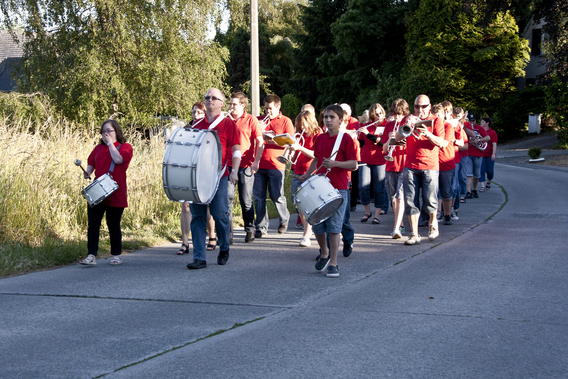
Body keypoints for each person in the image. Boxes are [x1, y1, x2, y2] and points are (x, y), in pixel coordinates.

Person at [186, 88, 241, 269]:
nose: (210, 100)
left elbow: (236, 150)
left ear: (221, 103)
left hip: (220, 176)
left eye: (214, 98)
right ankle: (199, 257)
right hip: (198, 178)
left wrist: (234, 170)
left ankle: (224, 247)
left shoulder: (228, 124)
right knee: (197, 216)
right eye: (207, 97)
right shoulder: (196, 125)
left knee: (219, 214)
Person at [301, 104, 357, 278]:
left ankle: (333, 262)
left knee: (334, 227)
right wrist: (307, 175)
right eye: (325, 117)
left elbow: (354, 164)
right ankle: (324, 253)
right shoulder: (320, 139)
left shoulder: (346, 139)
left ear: (341, 120)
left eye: (332, 117)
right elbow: (317, 160)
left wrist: (336, 164)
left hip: (339, 187)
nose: (328, 120)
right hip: (320, 186)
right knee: (316, 224)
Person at [80, 120, 133, 266]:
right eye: (104, 131)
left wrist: (110, 144)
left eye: (109, 130)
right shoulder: (98, 148)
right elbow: (91, 162)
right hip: (98, 190)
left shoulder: (126, 147)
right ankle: (91, 255)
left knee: (113, 224)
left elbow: (118, 160)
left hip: (116, 191)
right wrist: (88, 171)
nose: (106, 133)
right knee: (93, 223)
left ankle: (116, 255)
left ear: (116, 131)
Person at [395, 95, 445, 245]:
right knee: (410, 201)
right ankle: (414, 234)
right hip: (410, 165)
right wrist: (408, 125)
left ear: (429, 106)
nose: (420, 110)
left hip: (429, 166)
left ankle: (433, 223)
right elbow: (397, 138)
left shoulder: (436, 120)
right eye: (417, 106)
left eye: (423, 106)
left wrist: (427, 133)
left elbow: (442, 143)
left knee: (429, 200)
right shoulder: (408, 119)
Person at [177, 102, 217, 255]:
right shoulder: (187, 129)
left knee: (205, 205)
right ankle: (185, 242)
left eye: (199, 112)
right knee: (185, 206)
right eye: (194, 112)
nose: (196, 115)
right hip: (188, 170)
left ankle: (212, 236)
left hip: (204, 171)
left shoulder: (209, 128)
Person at [253, 94, 294, 238]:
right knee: (258, 197)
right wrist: (259, 130)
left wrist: (271, 140)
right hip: (259, 163)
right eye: (265, 109)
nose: (267, 112)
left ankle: (284, 218)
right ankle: (261, 227)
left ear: (278, 107)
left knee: (277, 195)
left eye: (270, 109)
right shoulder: (259, 120)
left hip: (276, 164)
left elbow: (290, 143)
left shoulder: (285, 121)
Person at [227, 92, 264, 243]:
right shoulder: (226, 120)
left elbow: (260, 141)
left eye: (234, 104)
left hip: (246, 165)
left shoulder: (251, 120)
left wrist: (256, 161)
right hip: (228, 165)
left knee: (245, 200)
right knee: (227, 199)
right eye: (230, 104)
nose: (231, 107)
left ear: (243, 105)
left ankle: (249, 229)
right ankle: (227, 233)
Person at [290, 110, 322, 247]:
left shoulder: (318, 135)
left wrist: (300, 147)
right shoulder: (298, 136)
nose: (302, 128)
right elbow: (292, 158)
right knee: (298, 203)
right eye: (299, 125)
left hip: (312, 173)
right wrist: (291, 149)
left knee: (309, 204)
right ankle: (308, 229)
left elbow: (316, 155)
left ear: (310, 122)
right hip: (297, 171)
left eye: (304, 125)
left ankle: (307, 234)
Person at [381, 98, 409, 239]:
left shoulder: (408, 125)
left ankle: (396, 228)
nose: (397, 117)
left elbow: (412, 147)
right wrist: (389, 139)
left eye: (400, 114)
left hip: (404, 164)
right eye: (395, 114)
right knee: (393, 197)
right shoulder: (389, 125)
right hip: (391, 165)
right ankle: (401, 223)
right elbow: (384, 149)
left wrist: (402, 141)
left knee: (400, 196)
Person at [357, 103, 388, 224]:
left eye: (380, 113)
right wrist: (355, 136)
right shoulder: (366, 125)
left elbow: (382, 142)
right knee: (363, 187)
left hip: (380, 160)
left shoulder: (386, 125)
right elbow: (361, 143)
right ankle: (367, 212)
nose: (379, 116)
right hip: (365, 159)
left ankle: (377, 215)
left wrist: (367, 134)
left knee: (379, 188)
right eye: (376, 114)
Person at [431, 103, 457, 226]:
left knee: (446, 192)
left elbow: (444, 143)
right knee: (431, 192)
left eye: (439, 115)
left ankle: (447, 214)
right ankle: (434, 216)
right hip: (432, 163)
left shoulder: (448, 127)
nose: (437, 118)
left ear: (444, 115)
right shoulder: (431, 126)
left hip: (446, 163)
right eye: (435, 116)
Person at [340, 103, 361, 212]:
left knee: (352, 183)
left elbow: (355, 134)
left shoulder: (354, 121)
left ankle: (352, 204)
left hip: (350, 165)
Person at [464, 117, 490, 199]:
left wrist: (479, 140)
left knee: (476, 174)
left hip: (478, 154)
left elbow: (488, 138)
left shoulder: (479, 128)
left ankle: (474, 189)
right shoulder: (465, 128)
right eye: (470, 120)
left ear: (475, 121)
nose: (472, 122)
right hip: (468, 153)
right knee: (469, 174)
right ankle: (468, 191)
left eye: (473, 120)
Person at [479, 117, 497, 191]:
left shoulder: (492, 133)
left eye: (482, 121)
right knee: (482, 170)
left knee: (490, 171)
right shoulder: (479, 132)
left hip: (489, 154)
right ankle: (482, 186)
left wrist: (493, 154)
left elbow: (494, 144)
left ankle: (489, 181)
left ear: (487, 123)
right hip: (481, 154)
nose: (481, 123)